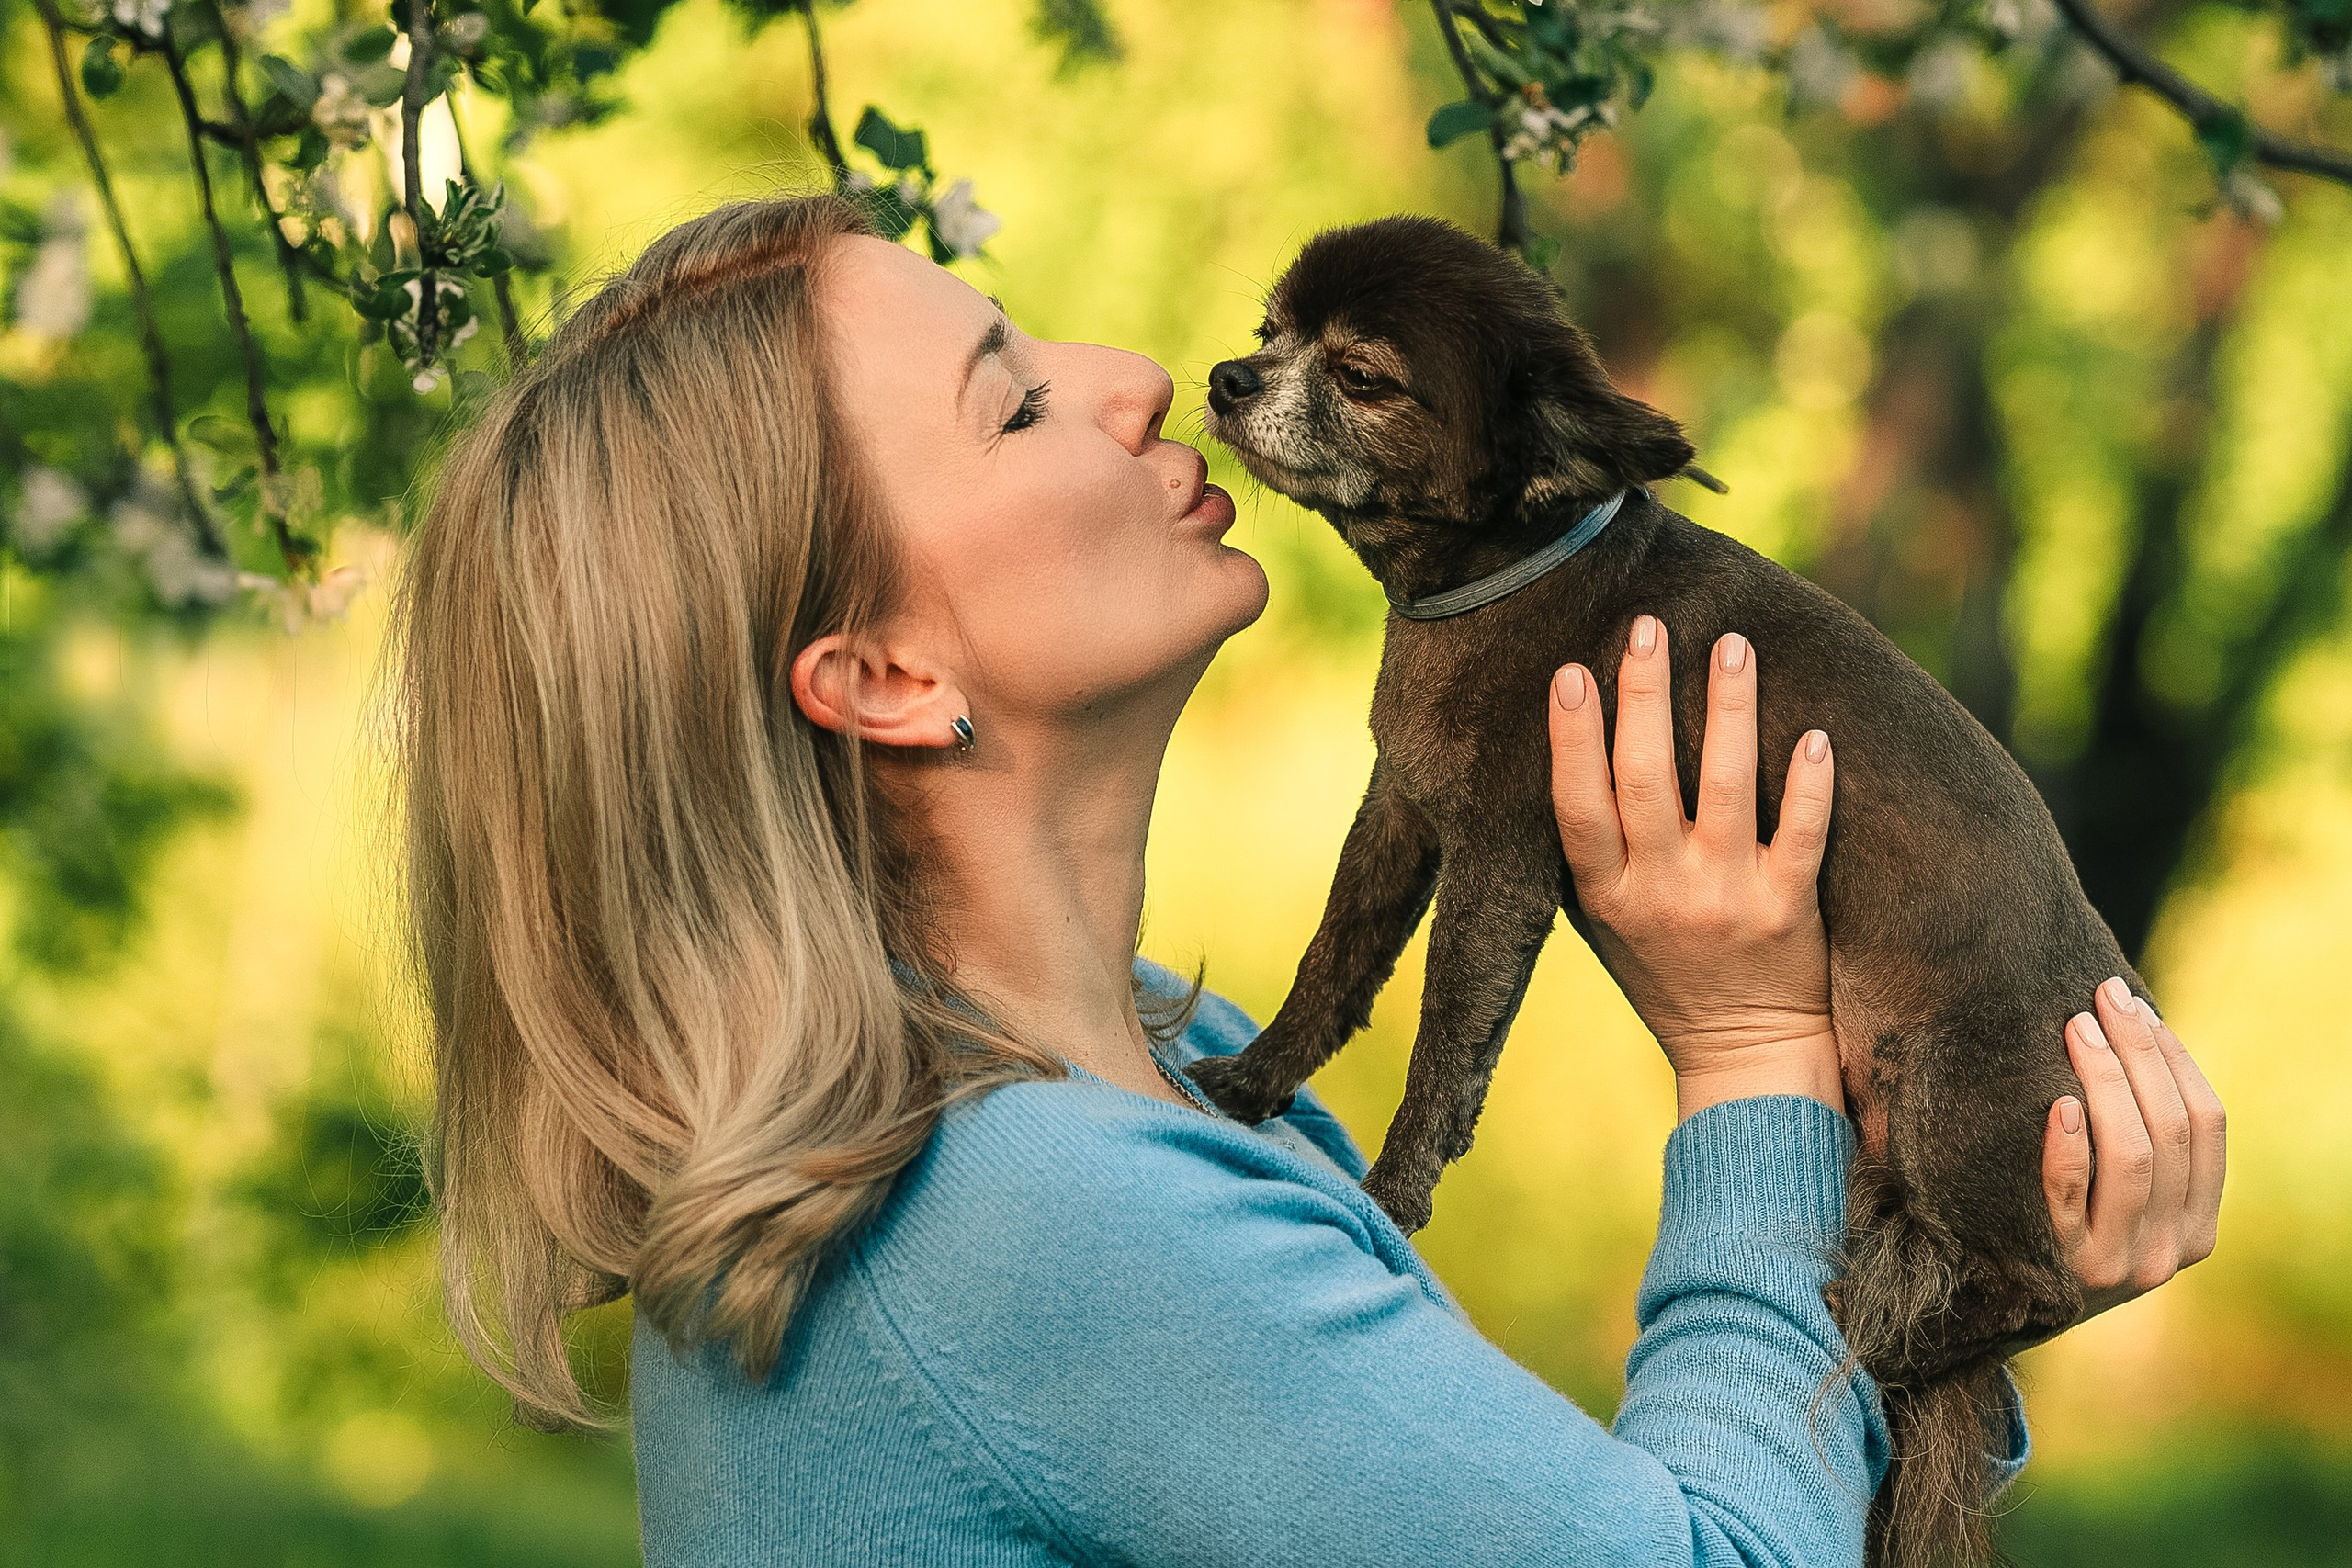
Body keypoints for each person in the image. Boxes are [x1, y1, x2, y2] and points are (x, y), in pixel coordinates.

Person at [390, 194, 2226, 1566]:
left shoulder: (1164, 1078)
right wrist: (1752, 1059)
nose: (1126, 381)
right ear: (882, 673)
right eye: (1013, 405)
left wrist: (1947, 1334)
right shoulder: (1025, 1221)